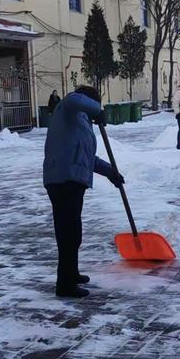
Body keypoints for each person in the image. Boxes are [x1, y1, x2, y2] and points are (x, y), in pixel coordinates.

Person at [43, 86, 124, 298]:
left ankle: (71, 273)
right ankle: (65, 285)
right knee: (68, 232)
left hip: (72, 178)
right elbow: (74, 99)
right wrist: (97, 110)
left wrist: (111, 173)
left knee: (73, 232)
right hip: (63, 178)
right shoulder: (67, 108)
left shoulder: (80, 122)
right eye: (94, 104)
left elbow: (88, 158)